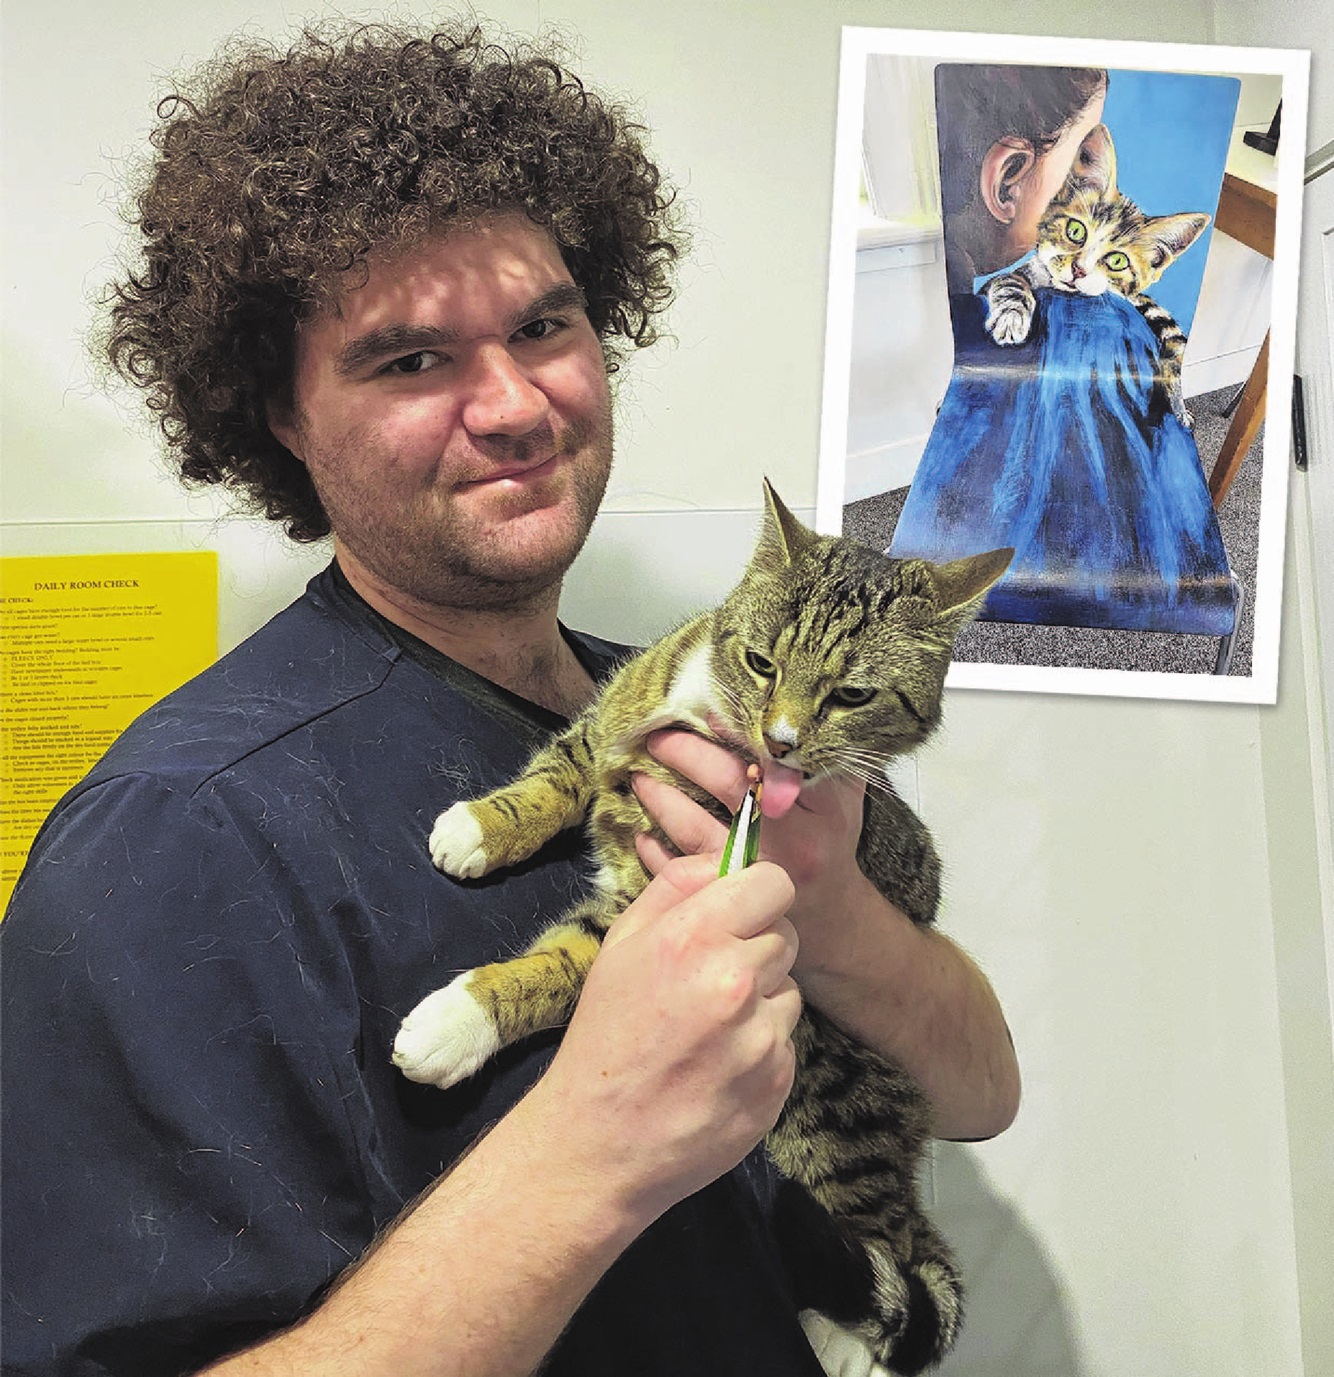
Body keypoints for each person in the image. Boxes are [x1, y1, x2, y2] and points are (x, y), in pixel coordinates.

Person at [0, 23, 1020, 1376]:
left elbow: (978, 1090)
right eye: (409, 360)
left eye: (544, 326)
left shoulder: (720, 710)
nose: (516, 404)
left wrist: (837, 918)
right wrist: (589, 1147)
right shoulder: (177, 836)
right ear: (281, 416)